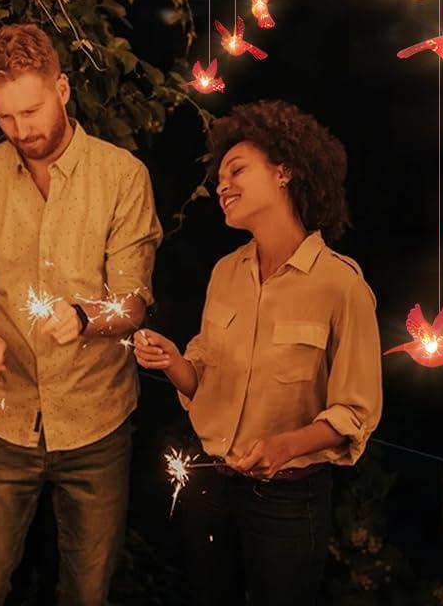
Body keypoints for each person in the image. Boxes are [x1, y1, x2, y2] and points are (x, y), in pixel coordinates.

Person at [0, 24, 162, 606]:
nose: (22, 130)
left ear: (62, 89)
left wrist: (87, 317)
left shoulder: (122, 177)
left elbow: (134, 302)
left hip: (97, 419)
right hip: (5, 420)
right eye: (6, 118)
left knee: (87, 594)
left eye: (32, 110)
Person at [135, 100, 383, 606]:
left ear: (285, 171)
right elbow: (202, 380)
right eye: (219, 176)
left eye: (237, 170)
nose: (220, 185)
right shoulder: (226, 273)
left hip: (289, 502)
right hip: (209, 483)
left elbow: (357, 411)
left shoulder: (341, 285)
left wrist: (285, 446)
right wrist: (173, 362)